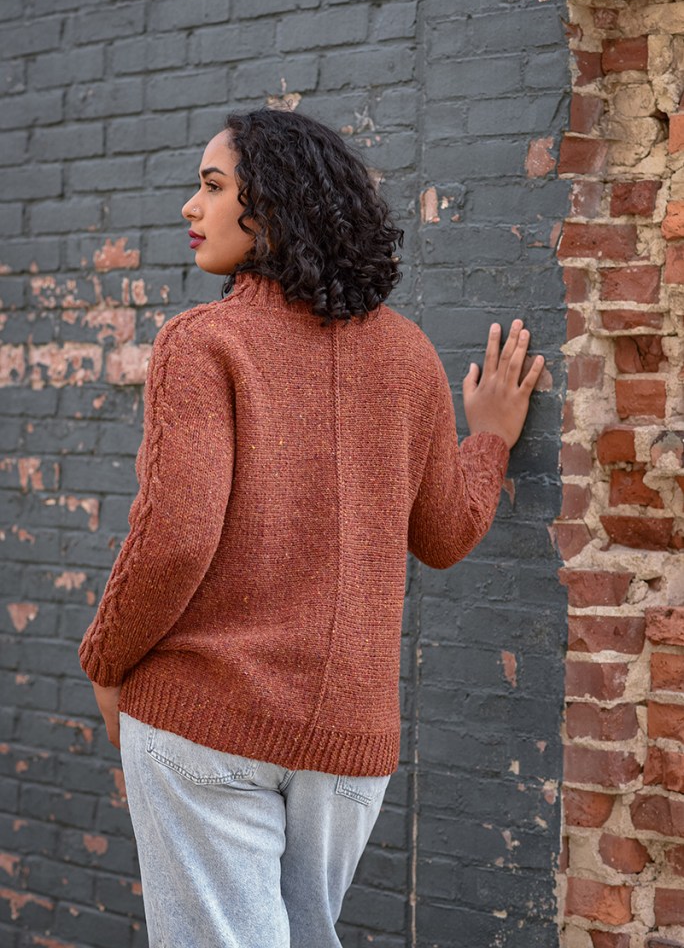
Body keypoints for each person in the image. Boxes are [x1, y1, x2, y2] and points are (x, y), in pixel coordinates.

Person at [78, 107, 545, 948]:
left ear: (275, 206)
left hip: (203, 719)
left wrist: (106, 659)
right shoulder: (407, 355)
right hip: (348, 743)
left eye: (214, 187)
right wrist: (489, 443)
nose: (191, 207)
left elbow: (176, 534)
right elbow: (446, 535)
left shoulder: (204, 342)